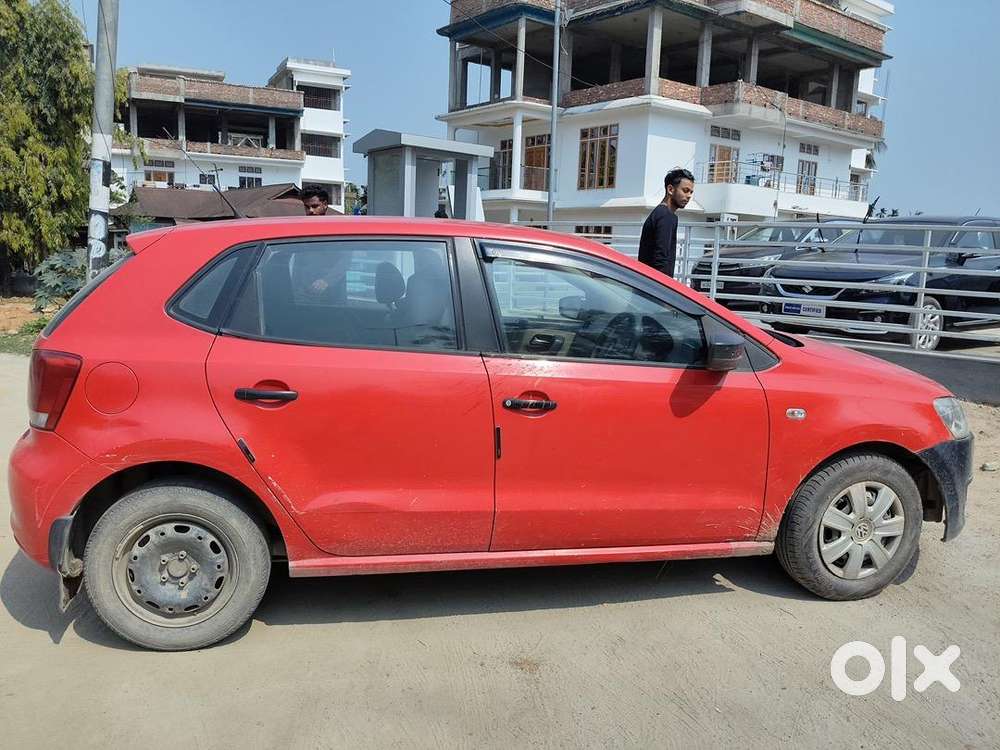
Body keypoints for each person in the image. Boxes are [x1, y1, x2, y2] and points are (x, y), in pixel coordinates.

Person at [638, 168, 695, 278]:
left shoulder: (660, 213)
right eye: (685, 190)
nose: (688, 196)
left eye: (691, 192)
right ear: (670, 189)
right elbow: (661, 259)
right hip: (654, 288)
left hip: (646, 284)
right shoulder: (666, 216)